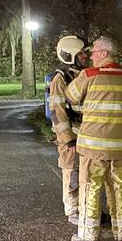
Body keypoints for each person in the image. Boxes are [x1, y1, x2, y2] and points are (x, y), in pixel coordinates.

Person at [64, 36, 122, 241]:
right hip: (119, 149)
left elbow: (71, 95)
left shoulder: (89, 75)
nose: (91, 56)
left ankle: (88, 235)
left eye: (94, 52)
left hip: (93, 149)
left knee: (90, 189)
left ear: (104, 53)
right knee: (119, 190)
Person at [48, 35, 88, 224]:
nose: (84, 56)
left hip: (84, 132)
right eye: (80, 53)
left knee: (87, 173)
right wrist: (68, 138)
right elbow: (57, 112)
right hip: (70, 134)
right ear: (70, 55)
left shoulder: (81, 75)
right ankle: (73, 210)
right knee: (71, 170)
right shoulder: (60, 79)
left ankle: (87, 208)